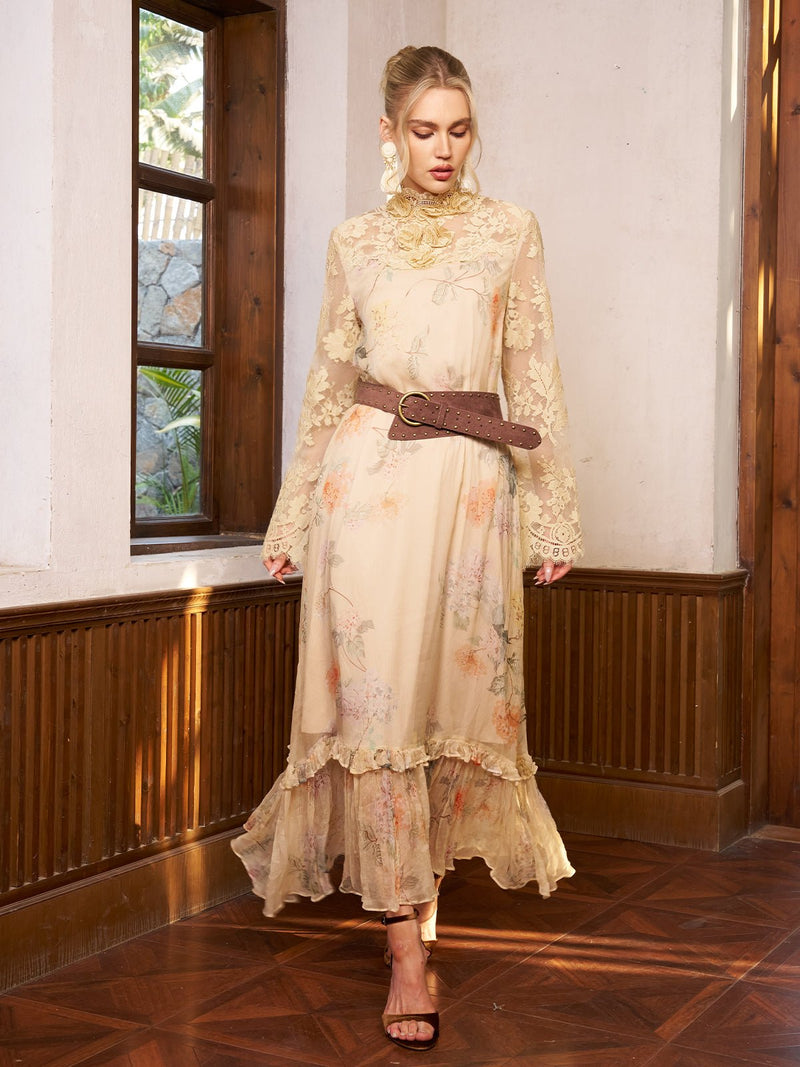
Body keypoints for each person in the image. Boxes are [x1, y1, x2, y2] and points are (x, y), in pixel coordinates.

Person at [232, 45, 583, 1052]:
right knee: (377, 705)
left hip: (472, 488)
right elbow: (327, 381)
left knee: (446, 706)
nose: (442, 147)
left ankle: (415, 897)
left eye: (458, 128)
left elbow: (534, 373)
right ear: (388, 132)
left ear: (473, 131)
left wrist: (552, 509)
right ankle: (402, 951)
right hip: (368, 487)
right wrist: (294, 510)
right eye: (421, 129)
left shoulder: (508, 231)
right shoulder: (355, 241)